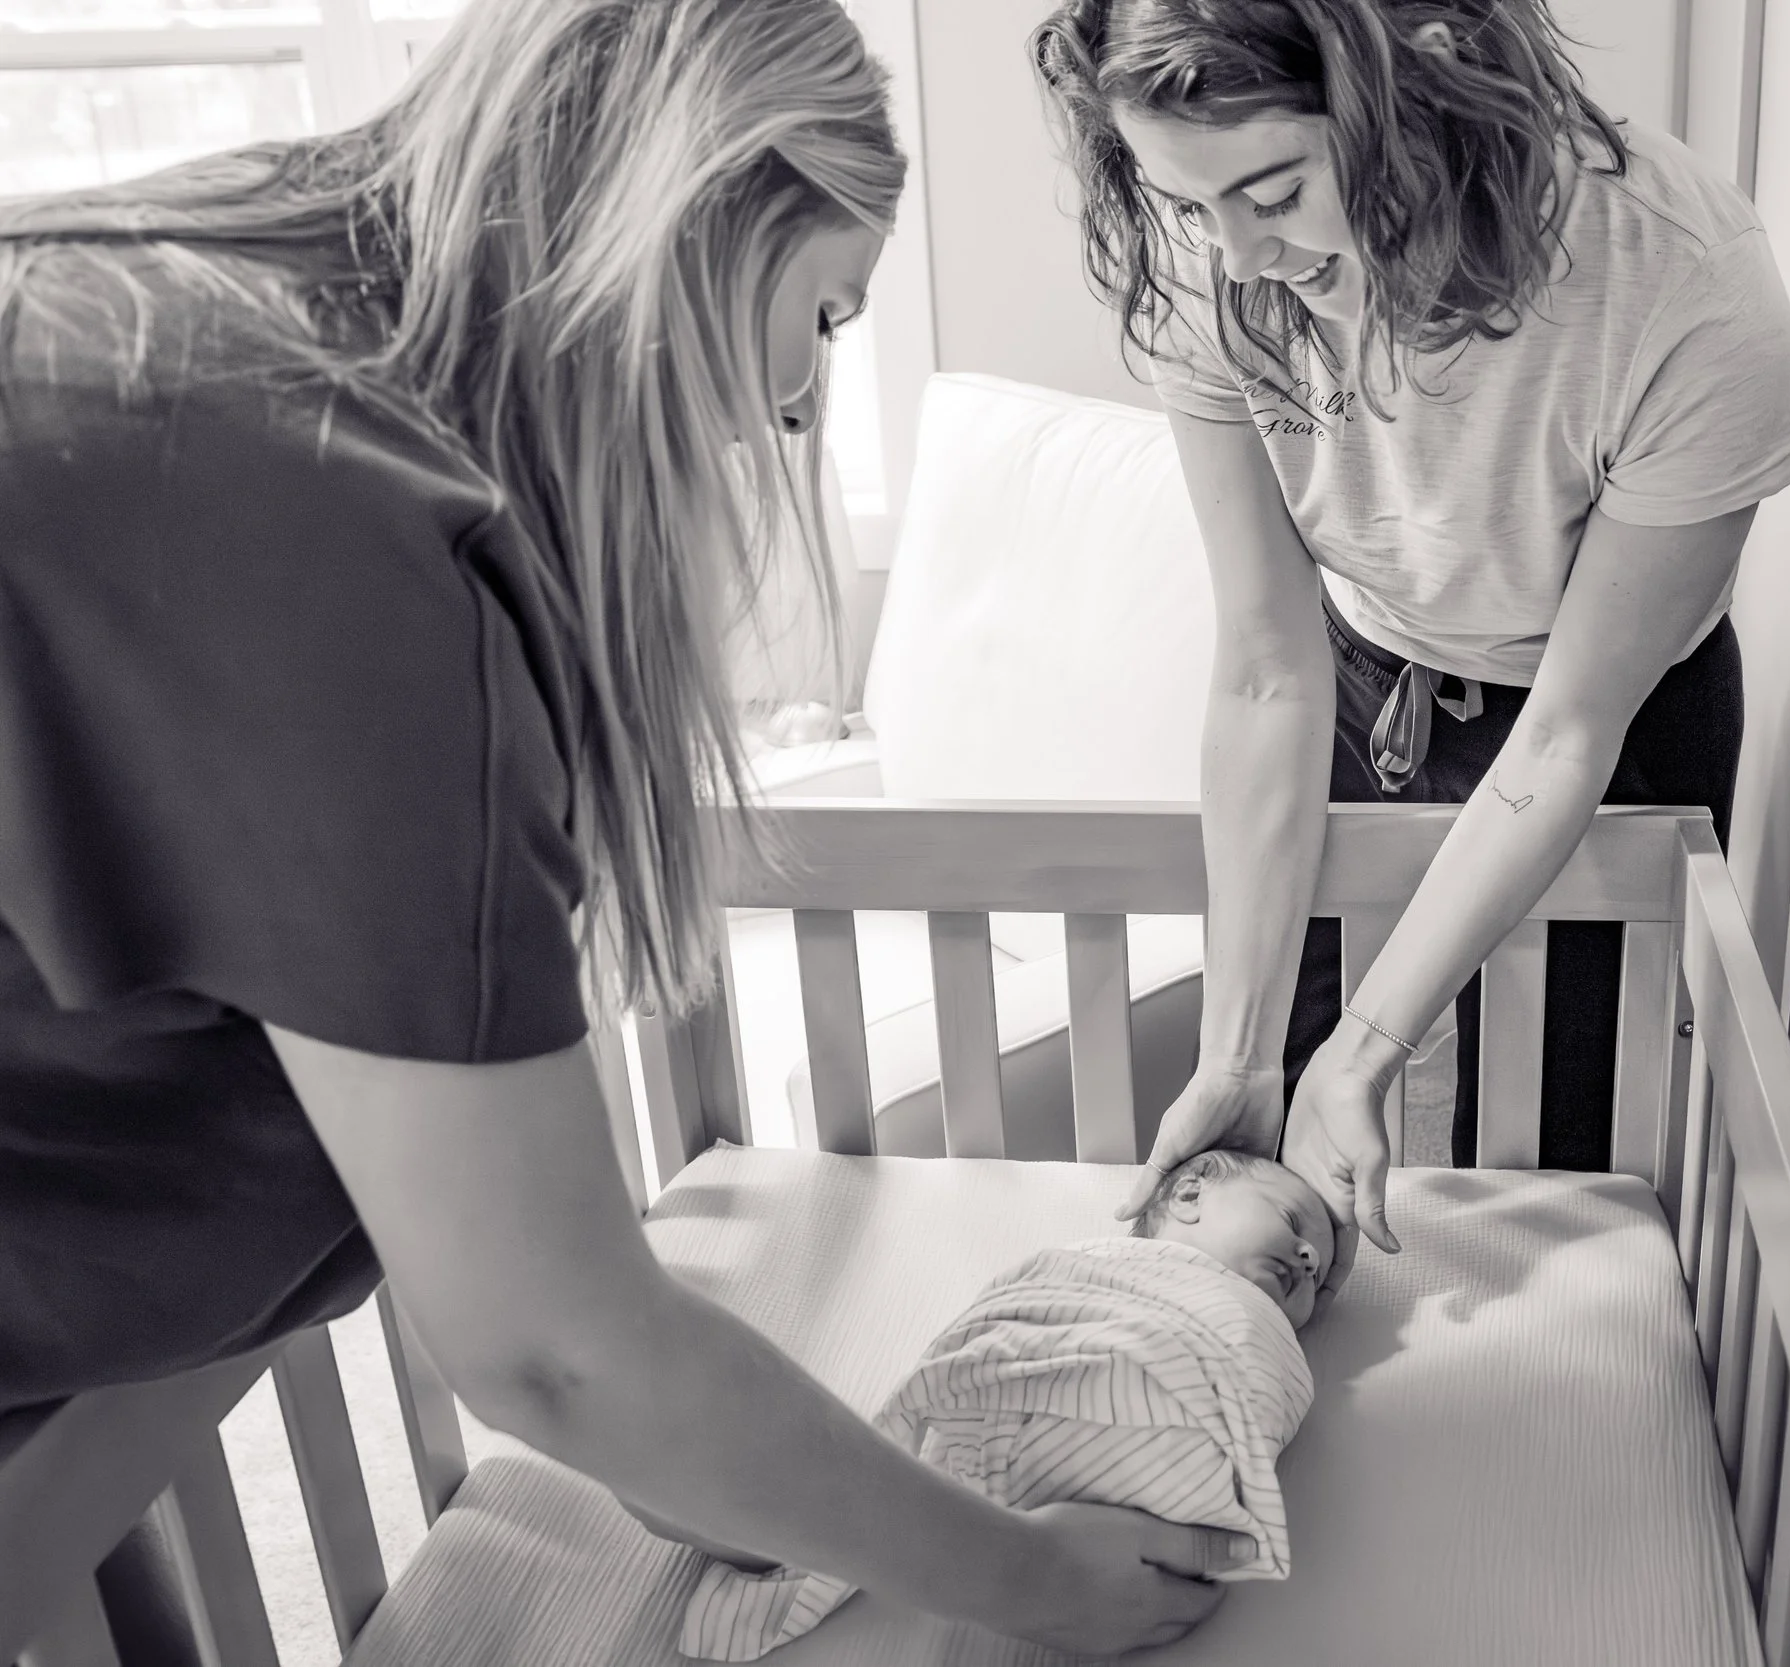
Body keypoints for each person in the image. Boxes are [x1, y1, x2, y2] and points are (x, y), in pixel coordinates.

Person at [0, 0, 1243, 1652]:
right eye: (824, 315)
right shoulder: (323, 507)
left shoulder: (238, 289)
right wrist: (1041, 1582)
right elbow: (552, 1344)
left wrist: (711, 1459)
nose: (789, 405)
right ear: (697, 214)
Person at [1033, 0, 1790, 1274]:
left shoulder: (1678, 278)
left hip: (1595, 718)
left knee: (1553, 1167)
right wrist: (1242, 1051)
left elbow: (1569, 728)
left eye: (1276, 191)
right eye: (1189, 208)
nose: (1234, 257)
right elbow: (1262, 664)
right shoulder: (1209, 248)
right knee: (1290, 1112)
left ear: (1417, 103)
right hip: (1351, 678)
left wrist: (1375, 1041)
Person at [670, 1151, 1329, 1661]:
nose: (1307, 1257)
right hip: (1032, 1385)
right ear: (1190, 1191)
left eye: (1319, 1278)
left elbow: (1268, 1392)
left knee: (918, 1489)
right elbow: (1012, 1310)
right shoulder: (1087, 1262)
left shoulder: (1260, 1327)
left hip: (1166, 1458)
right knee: (933, 1457)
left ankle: (784, 1524)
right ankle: (781, 1514)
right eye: (1294, 1224)